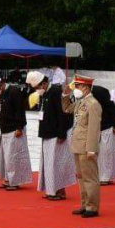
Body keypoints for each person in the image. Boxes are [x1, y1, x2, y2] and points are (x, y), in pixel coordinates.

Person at [27, 71, 75, 201]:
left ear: (44, 83)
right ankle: (51, 189)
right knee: (48, 164)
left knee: (56, 164)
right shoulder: (45, 93)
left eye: (37, 87)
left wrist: (61, 133)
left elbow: (63, 113)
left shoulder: (55, 92)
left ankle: (59, 191)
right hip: (47, 132)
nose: (37, 90)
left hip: (56, 134)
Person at [61, 76, 102, 218]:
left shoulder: (93, 104)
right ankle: (85, 204)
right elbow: (66, 109)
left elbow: (94, 128)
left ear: (85, 88)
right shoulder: (81, 102)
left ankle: (92, 207)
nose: (75, 89)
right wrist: (65, 95)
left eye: (77, 86)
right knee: (80, 177)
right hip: (77, 145)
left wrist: (91, 149)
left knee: (90, 178)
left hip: (86, 146)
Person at [0, 74, 31, 190]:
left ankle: (15, 181)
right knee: (5, 157)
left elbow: (19, 110)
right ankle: (8, 179)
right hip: (5, 130)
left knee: (13, 157)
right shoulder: (3, 93)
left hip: (14, 129)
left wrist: (19, 127)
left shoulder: (14, 91)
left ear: (1, 85)